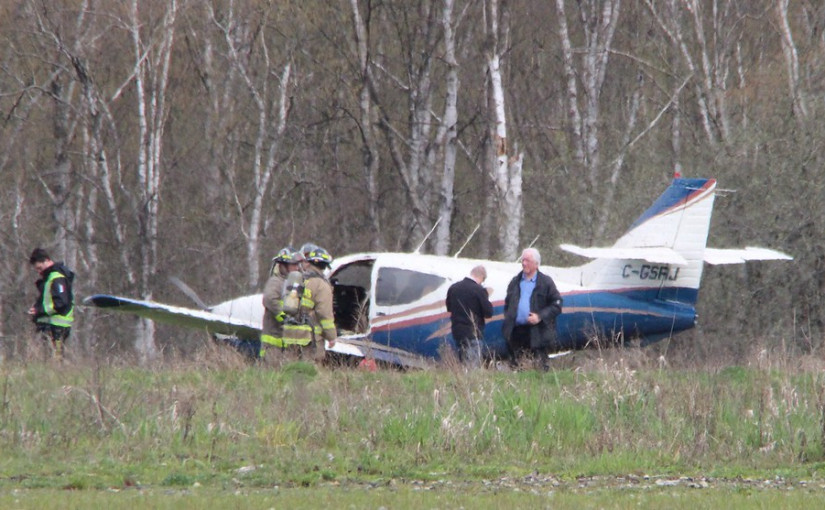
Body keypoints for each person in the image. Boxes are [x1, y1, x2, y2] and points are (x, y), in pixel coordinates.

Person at [501, 248, 562, 370]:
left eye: (527, 260)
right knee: (517, 369)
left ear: (536, 264)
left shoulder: (545, 282)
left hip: (537, 333)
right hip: (516, 333)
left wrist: (539, 316)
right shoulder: (515, 282)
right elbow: (507, 304)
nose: (524, 263)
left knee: (539, 369)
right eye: (523, 260)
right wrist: (510, 318)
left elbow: (557, 305)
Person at [281, 246, 337, 363]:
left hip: (291, 333)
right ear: (325, 265)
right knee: (309, 371)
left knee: (290, 369)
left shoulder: (300, 279)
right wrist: (331, 336)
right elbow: (324, 313)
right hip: (309, 337)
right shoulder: (321, 284)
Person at [28, 248, 75, 360]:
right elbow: (48, 300)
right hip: (49, 325)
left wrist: (40, 311)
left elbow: (60, 303)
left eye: (40, 268)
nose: (39, 272)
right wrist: (37, 309)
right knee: (49, 359)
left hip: (57, 326)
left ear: (47, 261)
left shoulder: (57, 277)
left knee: (56, 359)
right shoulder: (49, 278)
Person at [260, 246, 305, 361]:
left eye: (298, 265)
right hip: (273, 343)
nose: (297, 268)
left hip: (286, 342)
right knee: (271, 376)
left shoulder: (291, 283)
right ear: (283, 265)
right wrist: (283, 316)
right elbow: (269, 299)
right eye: (294, 265)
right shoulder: (276, 282)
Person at [445, 265, 493, 368]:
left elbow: (449, 308)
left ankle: (463, 382)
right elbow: (488, 313)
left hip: (457, 332)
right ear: (482, 277)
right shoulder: (479, 290)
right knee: (473, 366)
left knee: (463, 363)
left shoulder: (454, 288)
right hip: (473, 332)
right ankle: (471, 383)